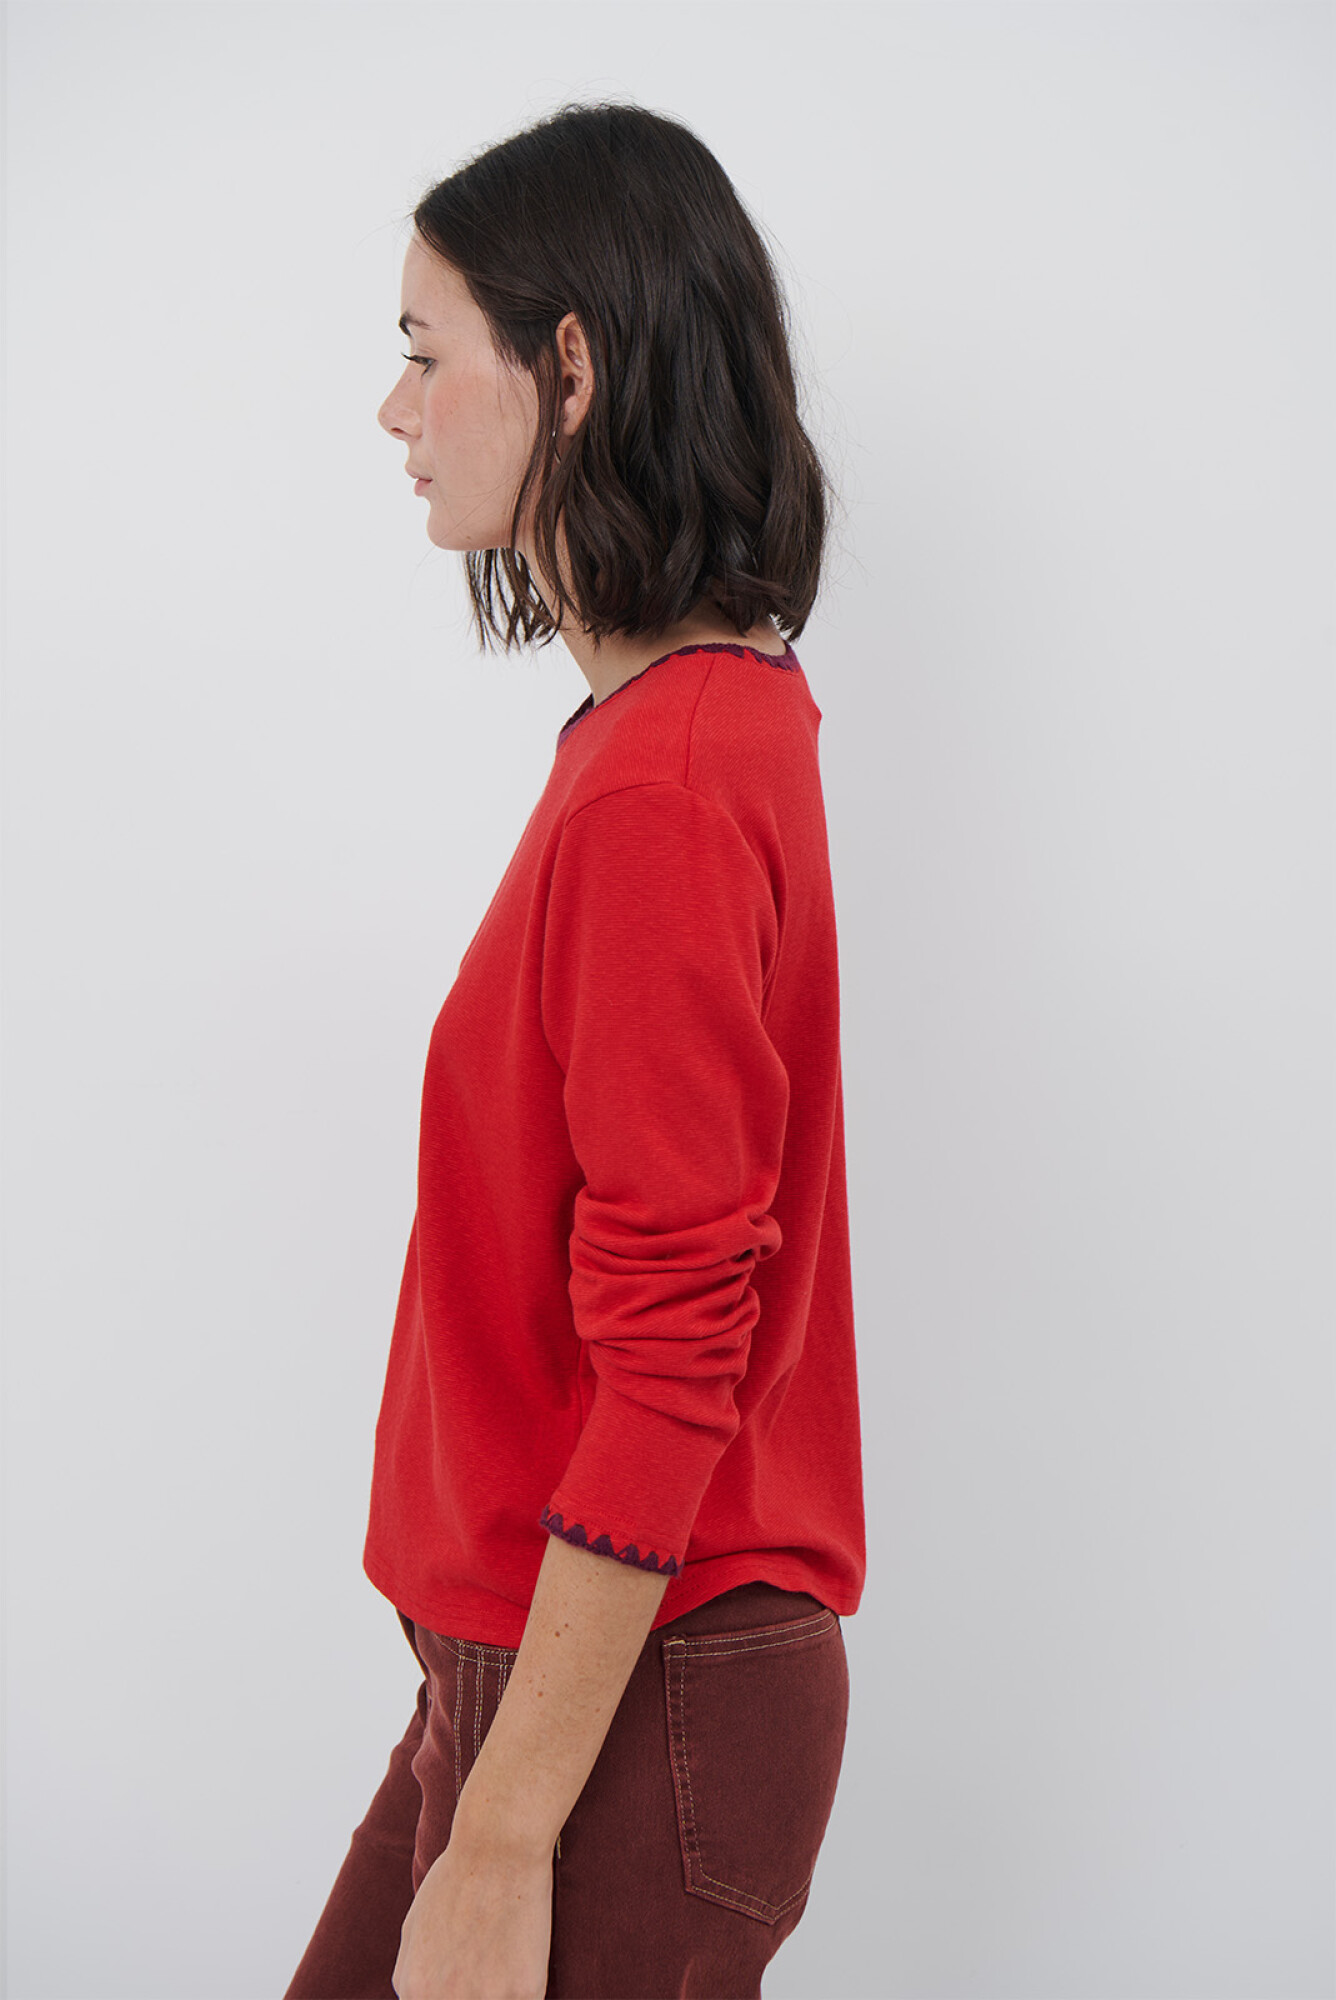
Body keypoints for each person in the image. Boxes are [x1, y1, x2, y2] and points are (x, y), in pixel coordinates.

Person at [282, 99, 866, 2000]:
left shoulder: (664, 787)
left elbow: (678, 1336)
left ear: (574, 367)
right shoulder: (697, 727)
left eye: (424, 351)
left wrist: (508, 1830)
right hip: (555, 1668)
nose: (395, 410)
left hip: (631, 1702)